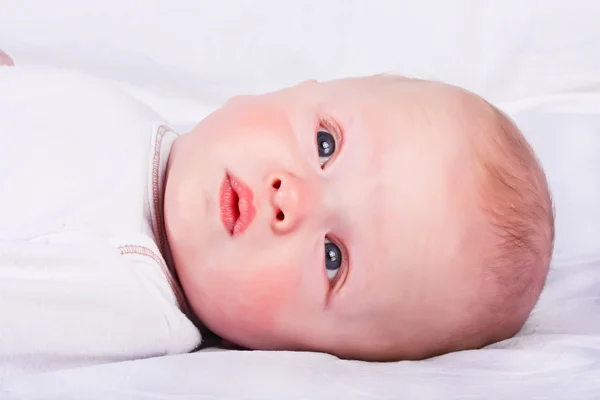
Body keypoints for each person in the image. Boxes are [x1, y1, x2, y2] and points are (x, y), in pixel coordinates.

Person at [0, 52, 554, 380]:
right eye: (324, 144)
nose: (295, 198)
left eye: (333, 258)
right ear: (297, 89)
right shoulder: (145, 127)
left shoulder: (130, 295)